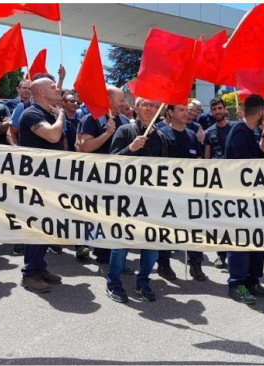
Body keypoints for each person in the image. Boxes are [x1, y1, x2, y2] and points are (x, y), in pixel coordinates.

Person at [105, 97, 168, 303]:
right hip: (127, 198)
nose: (150, 108)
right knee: (121, 243)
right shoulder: (124, 132)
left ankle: (143, 282)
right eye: (145, 105)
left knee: (151, 244)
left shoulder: (160, 137)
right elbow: (111, 163)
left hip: (151, 200)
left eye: (154, 105)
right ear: (135, 109)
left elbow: (166, 170)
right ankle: (113, 283)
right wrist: (130, 149)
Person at [16, 76, 67, 293]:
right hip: (37, 180)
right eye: (53, 86)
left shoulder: (49, 113)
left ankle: (39, 266)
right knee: (37, 225)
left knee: (48, 224)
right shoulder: (32, 114)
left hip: (51, 178)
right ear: (41, 93)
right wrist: (62, 116)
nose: (58, 89)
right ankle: (30, 274)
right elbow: (53, 136)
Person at [223, 94, 264, 305]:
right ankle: (236, 283)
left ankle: (253, 280)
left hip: (255, 199)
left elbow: (263, 155)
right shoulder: (239, 131)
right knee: (241, 241)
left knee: (257, 240)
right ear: (262, 111)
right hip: (239, 199)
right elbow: (248, 165)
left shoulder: (253, 131)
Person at [76, 85, 129, 263]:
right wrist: (107, 133)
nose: (124, 103)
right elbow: (85, 147)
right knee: (100, 216)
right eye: (121, 100)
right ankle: (102, 255)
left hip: (119, 178)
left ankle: (114, 255)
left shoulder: (124, 120)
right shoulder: (91, 119)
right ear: (108, 100)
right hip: (98, 177)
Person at [157, 104, 208, 281]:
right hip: (168, 192)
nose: (186, 112)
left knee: (194, 228)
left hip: (189, 191)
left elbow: (199, 160)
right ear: (170, 113)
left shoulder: (192, 135)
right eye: (181, 110)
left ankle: (195, 264)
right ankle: (163, 264)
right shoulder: (161, 134)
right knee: (167, 229)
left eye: (186, 110)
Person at [201, 98, 235, 269]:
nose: (217, 111)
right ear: (211, 112)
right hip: (217, 181)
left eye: (220, 108)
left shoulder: (236, 128)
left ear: (225, 109)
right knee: (220, 221)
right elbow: (207, 158)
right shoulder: (209, 132)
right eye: (214, 109)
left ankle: (234, 255)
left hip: (235, 180)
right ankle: (221, 255)